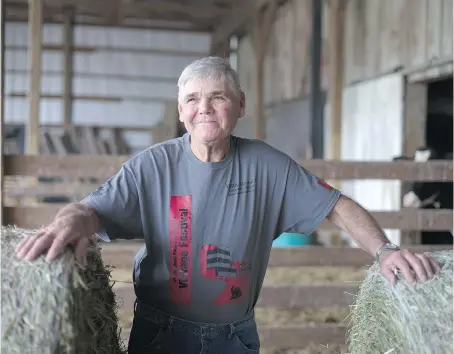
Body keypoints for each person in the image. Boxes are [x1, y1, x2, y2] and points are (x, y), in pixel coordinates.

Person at [15, 57, 441, 354]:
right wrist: (64, 223)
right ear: (181, 110)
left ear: (239, 105)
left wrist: (385, 250)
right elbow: (91, 210)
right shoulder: (153, 166)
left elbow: (337, 205)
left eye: (218, 97)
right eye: (194, 99)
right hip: (160, 334)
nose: (205, 108)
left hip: (234, 338)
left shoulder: (268, 165)